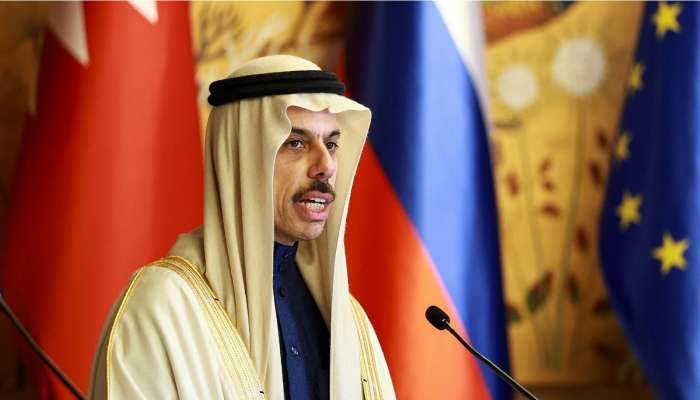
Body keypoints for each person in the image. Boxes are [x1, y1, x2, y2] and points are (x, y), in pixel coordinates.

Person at [89, 55, 395, 399]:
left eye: (332, 144)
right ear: (242, 156)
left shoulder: (346, 321)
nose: (326, 166)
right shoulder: (162, 309)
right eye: (296, 143)